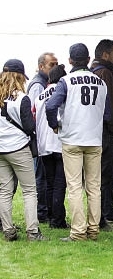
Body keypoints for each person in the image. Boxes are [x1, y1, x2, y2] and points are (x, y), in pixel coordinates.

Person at [46, 43, 109, 241]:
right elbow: (104, 112)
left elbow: (51, 106)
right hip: (94, 139)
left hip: (72, 138)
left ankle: (78, 231)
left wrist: (55, 125)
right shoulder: (101, 83)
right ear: (89, 60)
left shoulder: (66, 81)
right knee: (94, 187)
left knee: (74, 187)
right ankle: (93, 229)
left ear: (70, 60)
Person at [0, 59, 48, 241]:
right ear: (20, 76)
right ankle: (33, 232)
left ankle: (8, 230)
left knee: (4, 191)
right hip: (19, 148)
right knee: (29, 190)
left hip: (1, 149)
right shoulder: (22, 98)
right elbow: (29, 126)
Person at [90, 39, 113, 231]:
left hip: (104, 131)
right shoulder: (104, 73)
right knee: (106, 174)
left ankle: (108, 211)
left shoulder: (98, 73)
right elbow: (109, 105)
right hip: (107, 132)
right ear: (105, 55)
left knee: (110, 174)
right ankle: (104, 214)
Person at [33, 64, 68, 229]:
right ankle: (58, 220)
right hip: (58, 142)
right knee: (60, 183)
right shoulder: (62, 92)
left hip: (43, 145)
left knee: (49, 183)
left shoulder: (40, 95)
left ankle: (50, 215)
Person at [27, 52, 58, 224]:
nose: (55, 67)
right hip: (41, 139)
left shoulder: (44, 84)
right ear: (41, 66)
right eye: (51, 65)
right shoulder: (38, 86)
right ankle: (42, 211)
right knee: (41, 176)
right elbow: (32, 113)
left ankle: (45, 210)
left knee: (45, 176)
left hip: (43, 139)